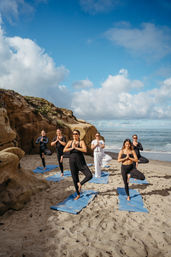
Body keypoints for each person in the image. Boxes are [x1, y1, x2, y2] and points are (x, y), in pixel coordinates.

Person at [63, 129, 92, 200]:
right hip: (72, 162)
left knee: (89, 175)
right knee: (75, 178)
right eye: (73, 134)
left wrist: (76, 147)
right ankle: (78, 194)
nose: (74, 135)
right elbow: (64, 150)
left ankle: (80, 184)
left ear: (78, 135)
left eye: (76, 134)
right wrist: (72, 147)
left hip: (81, 162)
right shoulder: (70, 142)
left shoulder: (81, 142)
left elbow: (85, 150)